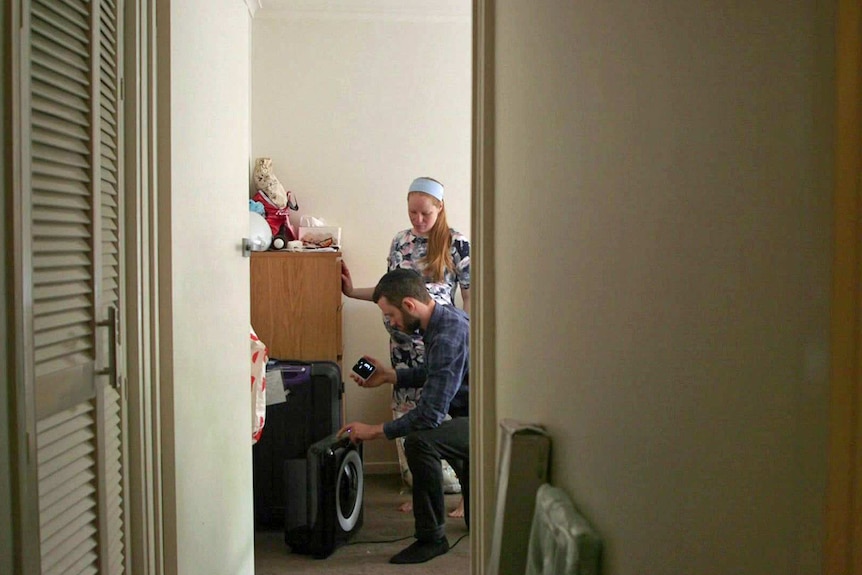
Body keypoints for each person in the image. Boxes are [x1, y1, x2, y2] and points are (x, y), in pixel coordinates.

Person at [341, 176, 470, 517]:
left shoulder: (457, 243)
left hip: (441, 344)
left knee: (438, 421)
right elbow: (391, 290)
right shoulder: (401, 241)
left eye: (424, 213)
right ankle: (424, 494)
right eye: (411, 212)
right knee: (413, 427)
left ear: (439, 208)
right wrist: (353, 293)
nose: (417, 219)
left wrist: (464, 339)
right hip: (407, 354)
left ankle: (462, 499)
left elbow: (469, 298)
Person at [339, 268, 470, 564]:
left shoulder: (448, 334)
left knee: (420, 441)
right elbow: (437, 372)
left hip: (484, 423)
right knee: (436, 439)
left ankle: (432, 538)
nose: (392, 323)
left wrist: (374, 431)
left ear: (409, 305)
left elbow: (430, 415)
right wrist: (389, 376)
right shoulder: (441, 322)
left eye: (391, 315)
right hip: (469, 417)